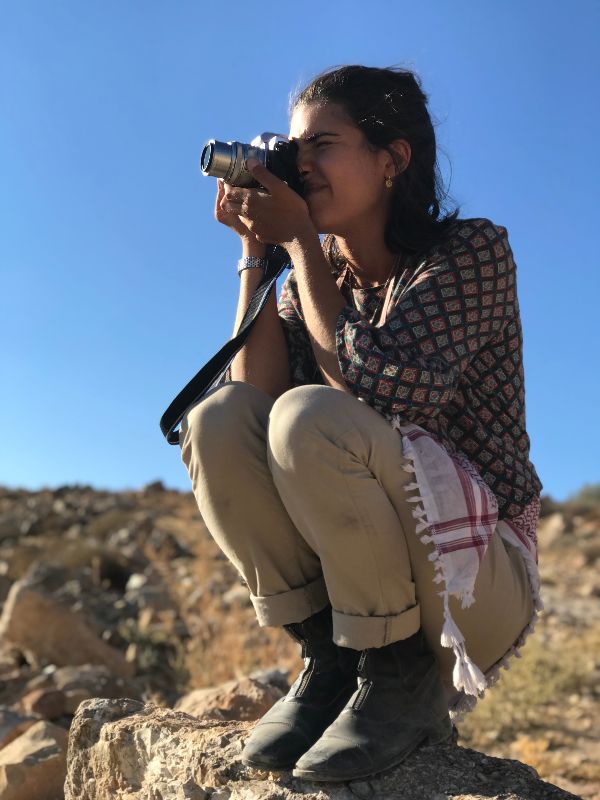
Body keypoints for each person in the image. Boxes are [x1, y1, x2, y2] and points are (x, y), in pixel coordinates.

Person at [179, 65, 543, 783]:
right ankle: (331, 658)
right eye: (291, 147)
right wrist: (259, 255)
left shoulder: (469, 254)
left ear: (391, 160)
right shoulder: (315, 285)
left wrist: (302, 249)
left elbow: (385, 396)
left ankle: (402, 678)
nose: (299, 163)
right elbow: (251, 405)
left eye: (323, 145)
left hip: (473, 582)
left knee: (311, 416)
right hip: (366, 581)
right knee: (218, 418)